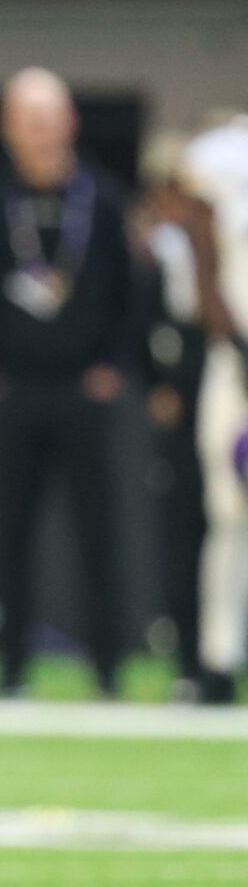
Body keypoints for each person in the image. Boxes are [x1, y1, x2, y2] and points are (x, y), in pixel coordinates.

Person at [0, 68, 131, 698]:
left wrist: (112, 363)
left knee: (98, 530)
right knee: (11, 531)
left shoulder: (102, 200)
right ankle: (11, 669)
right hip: (15, 389)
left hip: (84, 388)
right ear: (9, 129)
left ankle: (109, 668)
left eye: (50, 117)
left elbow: (126, 292)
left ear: (71, 122)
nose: (41, 131)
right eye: (28, 119)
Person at [175, 116, 248, 702]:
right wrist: (234, 340)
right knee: (229, 513)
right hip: (237, 365)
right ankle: (219, 657)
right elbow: (202, 252)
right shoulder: (222, 154)